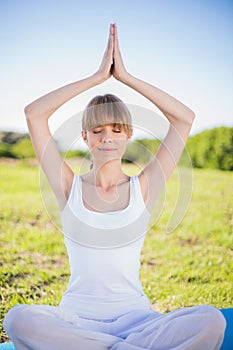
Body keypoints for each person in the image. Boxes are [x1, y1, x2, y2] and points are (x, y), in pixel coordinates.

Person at [3, 23, 227, 350]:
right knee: (18, 320)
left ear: (128, 134)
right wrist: (96, 77)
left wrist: (126, 77)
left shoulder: (144, 187)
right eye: (97, 130)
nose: (107, 135)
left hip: (136, 319)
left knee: (211, 321)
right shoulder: (68, 187)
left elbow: (184, 119)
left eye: (116, 128)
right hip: (77, 319)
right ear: (85, 137)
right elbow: (34, 114)